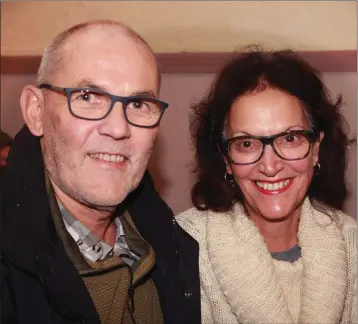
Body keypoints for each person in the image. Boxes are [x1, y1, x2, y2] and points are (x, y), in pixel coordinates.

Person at [0, 20, 200, 324]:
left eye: (138, 103)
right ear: (35, 111)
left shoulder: (175, 245)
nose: (119, 129)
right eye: (87, 97)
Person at [176, 47, 356, 324]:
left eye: (290, 138)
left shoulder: (351, 243)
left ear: (316, 148)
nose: (270, 167)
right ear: (226, 158)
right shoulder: (181, 247)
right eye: (246, 144)